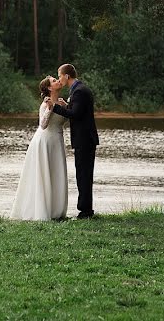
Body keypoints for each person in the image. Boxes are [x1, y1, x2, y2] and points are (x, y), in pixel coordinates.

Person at [10, 76, 69, 221]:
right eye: (54, 81)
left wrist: (66, 107)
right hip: (45, 142)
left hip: (57, 141)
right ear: (49, 88)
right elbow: (43, 125)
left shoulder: (61, 102)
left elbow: (63, 120)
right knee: (44, 174)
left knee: (57, 173)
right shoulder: (45, 105)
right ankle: (42, 210)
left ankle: (56, 211)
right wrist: (50, 109)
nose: (57, 81)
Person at [52, 64, 99, 219]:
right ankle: (85, 209)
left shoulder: (79, 91)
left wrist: (55, 107)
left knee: (84, 175)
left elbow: (76, 114)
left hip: (85, 140)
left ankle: (85, 212)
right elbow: (76, 109)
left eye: (59, 76)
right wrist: (67, 105)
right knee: (83, 174)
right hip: (85, 140)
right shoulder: (78, 90)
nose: (59, 79)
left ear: (66, 76)